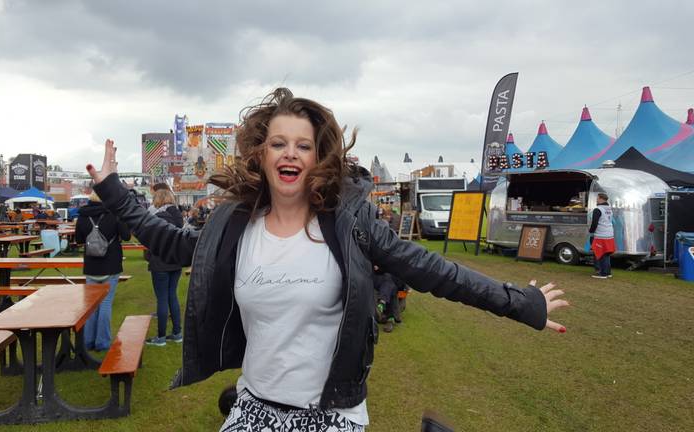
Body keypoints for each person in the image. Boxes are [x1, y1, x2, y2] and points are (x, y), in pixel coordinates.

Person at [86, 88, 569, 430]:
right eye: (279, 143)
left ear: (319, 158)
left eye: (303, 145)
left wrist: (519, 303)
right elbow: (166, 240)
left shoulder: (349, 225)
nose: (290, 153)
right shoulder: (232, 227)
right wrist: (112, 190)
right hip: (254, 408)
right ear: (261, 154)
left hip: (331, 416)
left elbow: (432, 270)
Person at [74, 192, 131, 351]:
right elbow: (126, 236)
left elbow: (78, 239)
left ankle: (88, 340)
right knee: (105, 304)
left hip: (91, 266)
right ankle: (103, 342)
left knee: (91, 305)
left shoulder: (83, 215)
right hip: (111, 264)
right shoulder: (114, 214)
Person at [144, 189, 185, 346]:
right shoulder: (178, 217)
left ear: (158, 200)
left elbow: (150, 242)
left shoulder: (156, 218)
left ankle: (161, 337)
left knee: (162, 298)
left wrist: (149, 256)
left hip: (161, 261)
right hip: (175, 261)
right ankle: (177, 332)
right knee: (171, 296)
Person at [589, 192, 615, 279]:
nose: (596, 199)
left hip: (601, 235)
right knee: (607, 254)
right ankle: (608, 272)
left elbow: (594, 223)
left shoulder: (598, 209)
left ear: (601, 199)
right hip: (609, 234)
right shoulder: (609, 208)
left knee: (600, 254)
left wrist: (591, 231)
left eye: (597, 198)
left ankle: (602, 274)